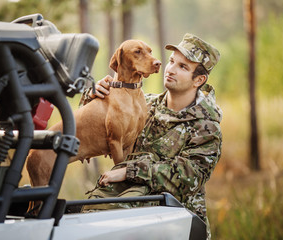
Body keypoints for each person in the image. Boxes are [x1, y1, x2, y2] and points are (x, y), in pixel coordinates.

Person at [79, 33, 222, 239]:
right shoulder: (144, 104)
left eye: (183, 67)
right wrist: (93, 94)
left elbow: (188, 177)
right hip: (126, 216)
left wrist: (129, 171)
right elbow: (92, 126)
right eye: (172, 61)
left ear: (198, 80)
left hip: (176, 226)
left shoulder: (206, 126)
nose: (170, 69)